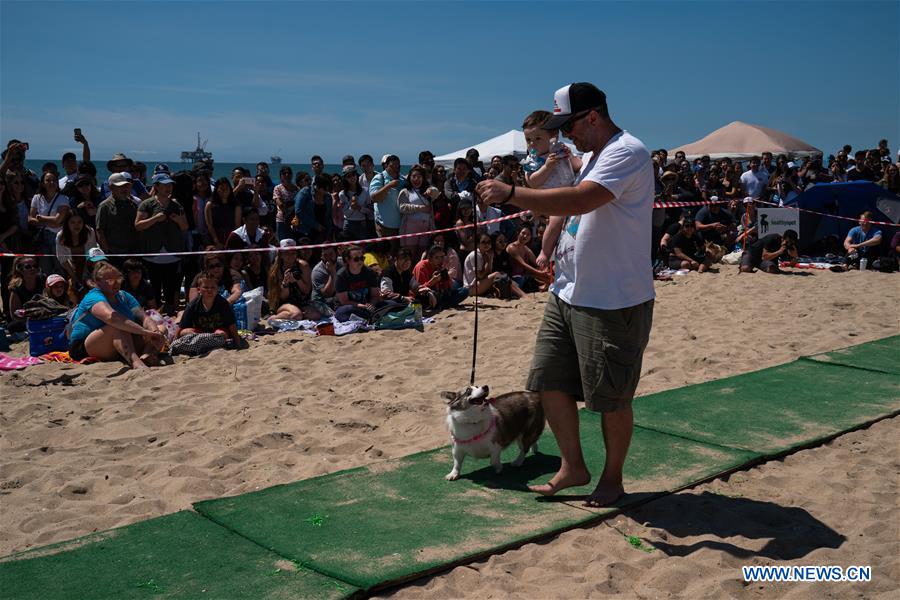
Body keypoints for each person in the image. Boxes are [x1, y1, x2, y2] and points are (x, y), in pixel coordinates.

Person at [475, 83, 655, 507]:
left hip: (613, 298)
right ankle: (573, 466)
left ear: (592, 116)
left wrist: (513, 194)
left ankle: (612, 479)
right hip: (568, 291)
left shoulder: (627, 151)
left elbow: (581, 199)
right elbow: (566, 210)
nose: (563, 135)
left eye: (567, 125)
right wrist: (548, 249)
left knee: (609, 398)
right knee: (548, 382)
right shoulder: (592, 155)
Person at [66, 260, 164, 368]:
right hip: (84, 345)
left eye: (118, 278)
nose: (116, 283)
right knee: (118, 327)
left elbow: (144, 317)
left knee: (161, 328)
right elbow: (112, 318)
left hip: (120, 341)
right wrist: (144, 332)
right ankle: (136, 362)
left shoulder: (123, 296)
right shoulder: (93, 296)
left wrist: (154, 331)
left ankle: (147, 355)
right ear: (97, 283)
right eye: (110, 280)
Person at [135, 173, 188, 312]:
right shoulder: (147, 204)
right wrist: (155, 219)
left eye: (170, 185)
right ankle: (155, 316)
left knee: (170, 289)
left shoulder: (176, 205)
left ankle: (170, 315)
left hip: (172, 254)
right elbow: (138, 225)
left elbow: (185, 227)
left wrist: (178, 220)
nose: (168, 188)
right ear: (156, 187)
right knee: (154, 290)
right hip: (151, 255)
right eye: (164, 185)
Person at [177, 270, 241, 347]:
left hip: (218, 331)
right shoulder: (193, 305)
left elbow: (231, 324)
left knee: (221, 334)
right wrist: (174, 340)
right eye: (206, 287)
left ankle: (205, 343)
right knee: (184, 332)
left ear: (217, 289)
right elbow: (181, 326)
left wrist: (238, 342)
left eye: (212, 287)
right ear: (199, 289)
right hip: (200, 332)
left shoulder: (223, 304)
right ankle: (206, 342)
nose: (209, 290)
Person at [334, 244, 394, 322]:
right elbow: (344, 301)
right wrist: (363, 306)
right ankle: (371, 317)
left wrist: (371, 304)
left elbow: (375, 295)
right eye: (356, 259)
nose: (360, 261)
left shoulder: (369, 272)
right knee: (342, 312)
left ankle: (368, 318)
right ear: (347, 260)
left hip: (368, 306)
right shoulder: (341, 276)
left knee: (391, 303)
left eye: (362, 258)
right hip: (353, 307)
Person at [29, 171, 71, 274]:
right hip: (42, 237)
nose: (51, 182)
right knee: (45, 268)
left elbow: (58, 220)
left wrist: (40, 217)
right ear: (43, 183)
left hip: (58, 237)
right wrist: (49, 223)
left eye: (54, 180)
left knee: (60, 267)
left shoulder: (63, 198)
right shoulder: (37, 198)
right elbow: (30, 219)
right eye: (48, 180)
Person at [267, 239, 319, 320]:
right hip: (284, 303)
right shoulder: (277, 270)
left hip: (301, 301)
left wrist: (297, 280)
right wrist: (285, 283)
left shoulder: (303, 266)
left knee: (315, 315)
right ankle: (274, 318)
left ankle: (293, 314)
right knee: (296, 315)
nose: (290, 256)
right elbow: (282, 297)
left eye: (293, 253)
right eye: (287, 253)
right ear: (281, 254)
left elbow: (307, 290)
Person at [95, 172, 140, 262]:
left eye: (125, 186)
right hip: (114, 253)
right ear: (111, 188)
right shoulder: (104, 206)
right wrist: (107, 250)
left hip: (132, 252)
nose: (124, 189)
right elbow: (100, 230)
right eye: (120, 186)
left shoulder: (133, 205)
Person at [411, 245, 469, 310]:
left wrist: (445, 273)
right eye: (436, 258)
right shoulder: (421, 267)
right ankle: (443, 304)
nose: (440, 260)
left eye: (442, 257)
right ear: (430, 259)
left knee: (465, 291)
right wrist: (432, 281)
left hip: (439, 295)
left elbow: (448, 289)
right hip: (426, 296)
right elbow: (421, 291)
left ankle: (443, 304)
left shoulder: (441, 266)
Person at [398, 165, 437, 258]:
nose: (416, 179)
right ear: (409, 178)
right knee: (409, 254)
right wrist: (420, 208)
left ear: (423, 178)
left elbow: (436, 193)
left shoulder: (428, 190)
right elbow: (402, 207)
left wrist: (431, 190)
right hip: (410, 226)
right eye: (413, 176)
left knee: (422, 255)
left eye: (419, 176)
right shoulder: (405, 191)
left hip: (426, 226)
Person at [369, 155, 405, 254]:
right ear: (386, 166)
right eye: (392, 166)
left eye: (398, 166)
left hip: (401, 225)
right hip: (385, 226)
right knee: (386, 254)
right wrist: (389, 186)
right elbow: (374, 198)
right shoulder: (379, 178)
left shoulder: (402, 179)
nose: (395, 169)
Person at [55, 210, 96, 296]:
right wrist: (75, 278)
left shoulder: (90, 232)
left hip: (88, 264)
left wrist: (89, 275)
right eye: (72, 222)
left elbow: (92, 254)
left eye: (79, 222)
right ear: (67, 224)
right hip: (69, 267)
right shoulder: (60, 236)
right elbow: (63, 260)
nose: (76, 225)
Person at [506, 225, 552, 290]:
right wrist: (540, 273)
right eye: (523, 233)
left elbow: (536, 263)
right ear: (518, 233)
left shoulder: (526, 249)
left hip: (524, 276)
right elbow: (523, 265)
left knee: (548, 276)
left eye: (528, 235)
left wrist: (545, 270)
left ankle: (545, 285)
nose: (525, 236)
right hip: (514, 277)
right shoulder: (512, 247)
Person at [337, 165, 372, 241]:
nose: (352, 177)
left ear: (356, 175)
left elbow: (370, 210)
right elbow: (346, 214)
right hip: (348, 224)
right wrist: (352, 207)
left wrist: (360, 208)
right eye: (348, 176)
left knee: (362, 248)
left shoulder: (365, 191)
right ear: (345, 179)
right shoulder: (342, 194)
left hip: (362, 223)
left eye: (353, 174)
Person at [294, 174, 333, 243]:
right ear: (317, 186)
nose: (326, 191)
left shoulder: (328, 197)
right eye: (324, 189)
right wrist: (316, 225)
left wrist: (329, 232)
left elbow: (328, 216)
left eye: (328, 189)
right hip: (305, 231)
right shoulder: (304, 193)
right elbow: (299, 212)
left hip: (322, 233)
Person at [205, 178, 242, 249]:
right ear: (217, 189)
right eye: (221, 188)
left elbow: (237, 225)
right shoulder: (210, 205)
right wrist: (216, 241)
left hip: (231, 237)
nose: (224, 191)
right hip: (214, 238)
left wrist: (229, 241)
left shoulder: (236, 205)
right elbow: (209, 226)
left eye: (226, 188)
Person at [310, 245, 341, 316]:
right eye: (325, 255)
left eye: (331, 254)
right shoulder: (317, 271)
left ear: (336, 253)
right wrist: (332, 273)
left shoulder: (342, 262)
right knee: (335, 316)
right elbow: (327, 294)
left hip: (338, 297)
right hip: (322, 301)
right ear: (321, 256)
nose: (328, 258)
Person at [273, 166, 298, 242]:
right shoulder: (278, 188)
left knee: (293, 243)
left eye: (289, 173)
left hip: (294, 220)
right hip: (282, 220)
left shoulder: (296, 188)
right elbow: (279, 203)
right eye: (284, 173)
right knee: (282, 243)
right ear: (281, 176)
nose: (287, 175)